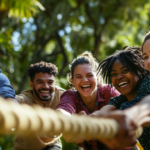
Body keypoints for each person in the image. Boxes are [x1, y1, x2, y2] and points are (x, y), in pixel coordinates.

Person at [56, 51, 121, 150]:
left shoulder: (109, 92)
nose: (85, 80)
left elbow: (125, 115)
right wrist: (73, 123)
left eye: (89, 75)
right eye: (78, 77)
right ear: (72, 81)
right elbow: (63, 110)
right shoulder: (71, 96)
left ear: (98, 78)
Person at [94, 46, 150, 149]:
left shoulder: (148, 82)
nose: (119, 77)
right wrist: (89, 119)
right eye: (114, 74)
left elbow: (146, 101)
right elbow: (105, 110)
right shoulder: (122, 98)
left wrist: (128, 115)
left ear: (137, 70)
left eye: (125, 71)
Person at [13, 61, 65, 150]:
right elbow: (15, 101)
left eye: (50, 82)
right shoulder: (26, 98)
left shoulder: (63, 96)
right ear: (32, 85)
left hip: (52, 145)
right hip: (24, 147)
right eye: (40, 82)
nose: (46, 86)